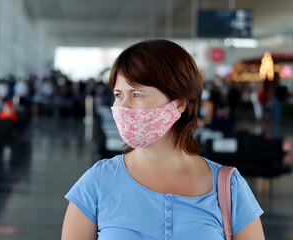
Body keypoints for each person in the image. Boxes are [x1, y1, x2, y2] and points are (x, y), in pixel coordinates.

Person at [62, 40, 265, 240]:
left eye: (137, 95)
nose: (123, 107)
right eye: (118, 94)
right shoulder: (97, 183)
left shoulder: (228, 188)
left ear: (179, 103)